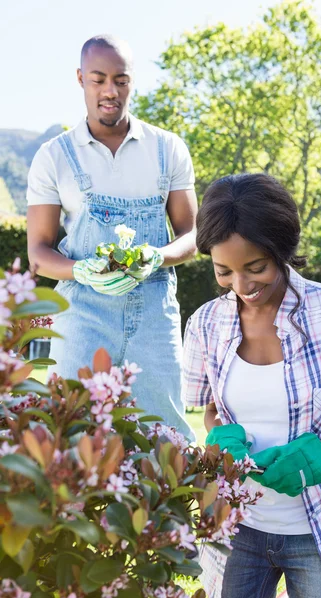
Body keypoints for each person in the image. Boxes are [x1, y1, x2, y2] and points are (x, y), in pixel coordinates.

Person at [182, 173, 321, 598]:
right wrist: (218, 433)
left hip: (319, 529)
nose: (241, 287)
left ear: (282, 250)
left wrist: (319, 451)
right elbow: (210, 408)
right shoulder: (206, 323)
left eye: (256, 268)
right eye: (223, 271)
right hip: (240, 524)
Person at [26, 35, 197, 439]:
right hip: (82, 314)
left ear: (132, 81)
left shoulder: (167, 149)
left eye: (121, 80)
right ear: (80, 78)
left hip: (154, 313)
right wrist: (82, 270)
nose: (110, 91)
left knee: (164, 437)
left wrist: (157, 257)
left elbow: (193, 234)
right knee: (73, 433)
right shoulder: (55, 156)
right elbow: (38, 252)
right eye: (99, 79)